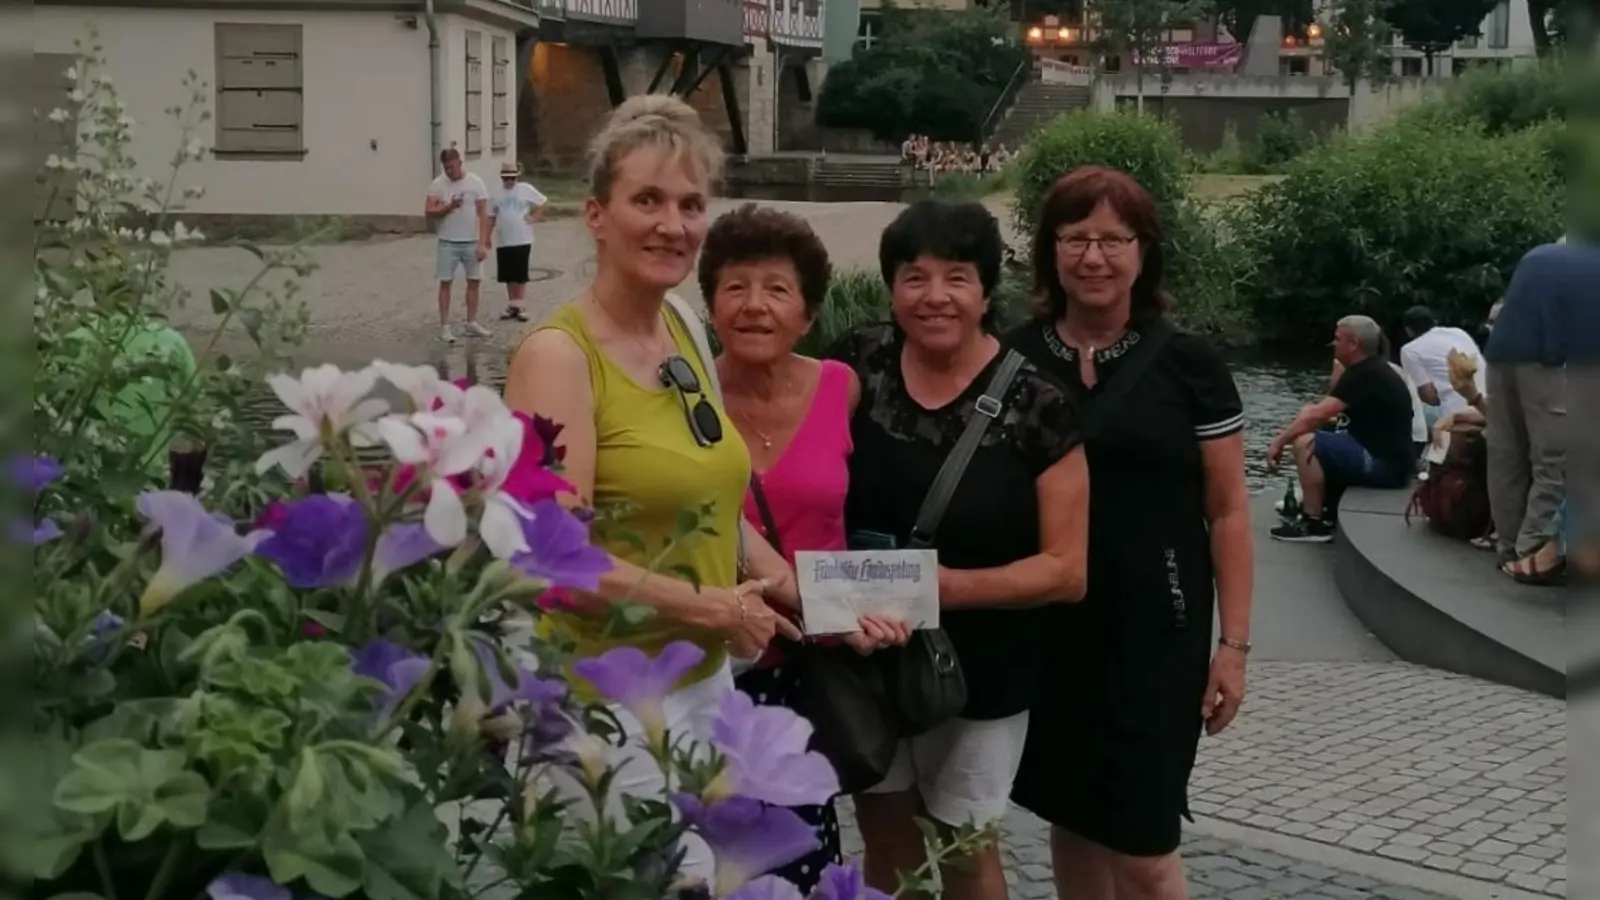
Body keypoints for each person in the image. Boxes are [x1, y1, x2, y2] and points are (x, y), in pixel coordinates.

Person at [501, 95, 803, 884]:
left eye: (691, 204)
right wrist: (713, 606)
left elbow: (710, 495)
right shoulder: (559, 359)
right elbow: (549, 563)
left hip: (700, 683)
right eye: (648, 200)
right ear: (596, 215)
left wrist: (801, 590)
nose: (673, 224)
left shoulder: (683, 327)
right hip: (599, 704)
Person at [826, 199, 1091, 900]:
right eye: (914, 277)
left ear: (984, 292)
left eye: (957, 278)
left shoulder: (1039, 404)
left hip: (983, 671)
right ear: (890, 287)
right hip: (866, 657)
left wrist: (931, 589)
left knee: (965, 850)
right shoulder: (858, 364)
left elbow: (1066, 571)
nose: (934, 296)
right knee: (886, 840)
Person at [1005, 166, 1254, 900]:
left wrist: (1233, 646)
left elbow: (1230, 509)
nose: (1093, 257)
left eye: (1113, 239)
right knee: (1073, 821)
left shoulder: (1190, 365)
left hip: (1159, 631)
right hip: (1049, 628)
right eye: (1074, 237)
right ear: (1050, 250)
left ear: (1144, 252)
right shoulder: (1013, 358)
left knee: (1145, 847)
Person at [699, 202, 912, 893]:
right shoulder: (687, 402)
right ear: (710, 304)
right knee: (705, 861)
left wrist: (882, 601)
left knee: (801, 861)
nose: (754, 306)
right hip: (715, 669)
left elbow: (871, 510)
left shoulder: (838, 387)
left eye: (776, 289)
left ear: (808, 314)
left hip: (816, 671)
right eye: (735, 287)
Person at [1484, 236, 1585, 582]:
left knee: (1506, 455)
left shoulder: (1537, 256)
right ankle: (1534, 553)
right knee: (1554, 461)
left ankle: (1508, 545)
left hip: (1499, 359)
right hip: (1546, 363)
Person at [1267, 315, 1415, 543]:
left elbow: (1317, 415)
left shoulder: (1366, 374)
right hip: (1381, 455)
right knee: (1316, 428)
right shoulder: (1368, 370)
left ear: (1354, 343)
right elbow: (1323, 411)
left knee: (1306, 443)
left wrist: (1278, 442)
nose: (1333, 344)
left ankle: (1314, 523)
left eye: (1337, 339)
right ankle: (1324, 505)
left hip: (1386, 466)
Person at [425, 147, 493, 344]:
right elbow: (429, 209)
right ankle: (445, 327)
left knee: (474, 281)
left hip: (471, 241)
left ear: (460, 163)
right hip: (447, 241)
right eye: (446, 168)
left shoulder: (475, 182)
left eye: (453, 167)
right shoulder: (438, 184)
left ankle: (471, 322)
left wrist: (483, 242)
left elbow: (483, 214)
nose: (450, 171)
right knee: (445, 282)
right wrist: (448, 207)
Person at [1398, 305, 1486, 431]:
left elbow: (1428, 396)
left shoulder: (1410, 350)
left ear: (1408, 330)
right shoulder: (1459, 333)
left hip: (1459, 412)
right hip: (1489, 404)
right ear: (1434, 322)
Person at [490, 160, 548, 323]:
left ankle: (520, 304)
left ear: (517, 177)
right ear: (502, 178)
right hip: (504, 239)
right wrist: (486, 237)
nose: (509, 181)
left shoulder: (525, 190)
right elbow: (491, 216)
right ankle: (512, 303)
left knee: (520, 272)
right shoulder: (496, 194)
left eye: (512, 178)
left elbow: (543, 202)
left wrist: (534, 217)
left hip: (522, 237)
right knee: (508, 274)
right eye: (506, 178)